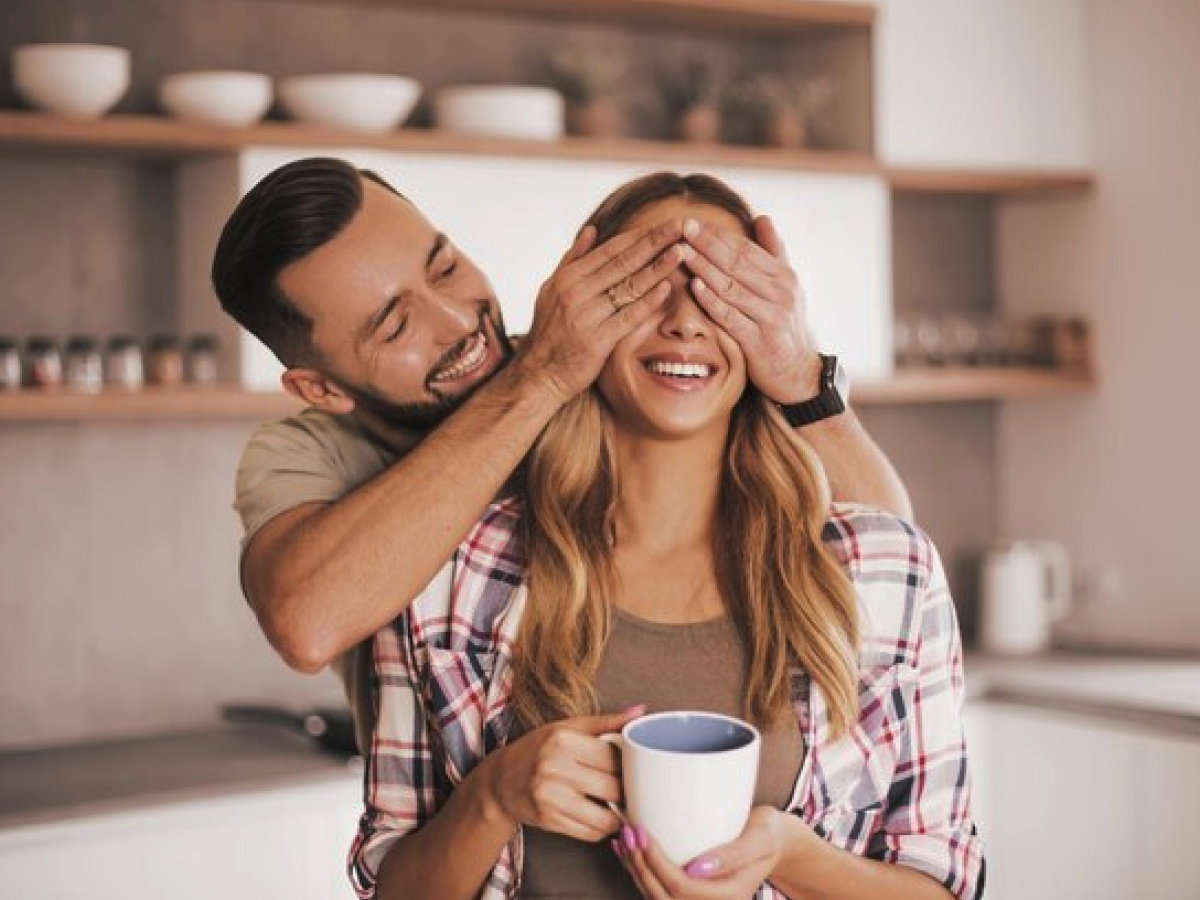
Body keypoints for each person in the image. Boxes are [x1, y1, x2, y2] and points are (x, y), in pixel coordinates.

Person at [347, 172, 984, 900]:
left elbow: (945, 885)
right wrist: (492, 797)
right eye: (645, 285)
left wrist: (790, 856)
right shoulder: (450, 569)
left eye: (721, 291)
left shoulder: (885, 570)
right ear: (580, 313)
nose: (685, 322)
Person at [214, 157, 911, 752]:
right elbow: (308, 622)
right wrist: (538, 378)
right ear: (320, 388)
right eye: (397, 325)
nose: (459, 321)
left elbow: (892, 573)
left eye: (447, 267)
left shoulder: (607, 366)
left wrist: (802, 383)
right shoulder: (307, 452)